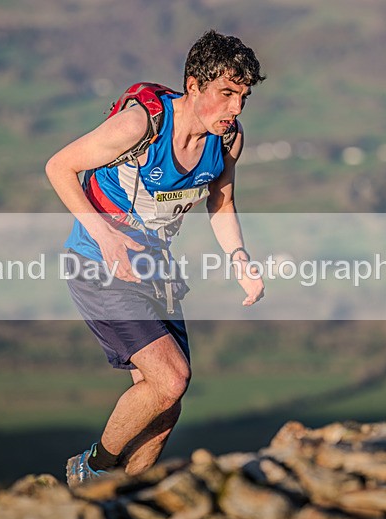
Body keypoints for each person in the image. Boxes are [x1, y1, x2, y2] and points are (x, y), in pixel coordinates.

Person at [45, 29, 265, 487]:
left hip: (153, 270)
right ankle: (92, 470)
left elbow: (220, 204)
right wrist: (104, 236)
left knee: (167, 403)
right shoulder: (140, 125)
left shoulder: (226, 141)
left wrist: (240, 260)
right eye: (226, 94)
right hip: (97, 264)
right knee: (171, 379)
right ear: (194, 85)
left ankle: (126, 496)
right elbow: (59, 166)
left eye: (242, 96)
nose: (236, 109)